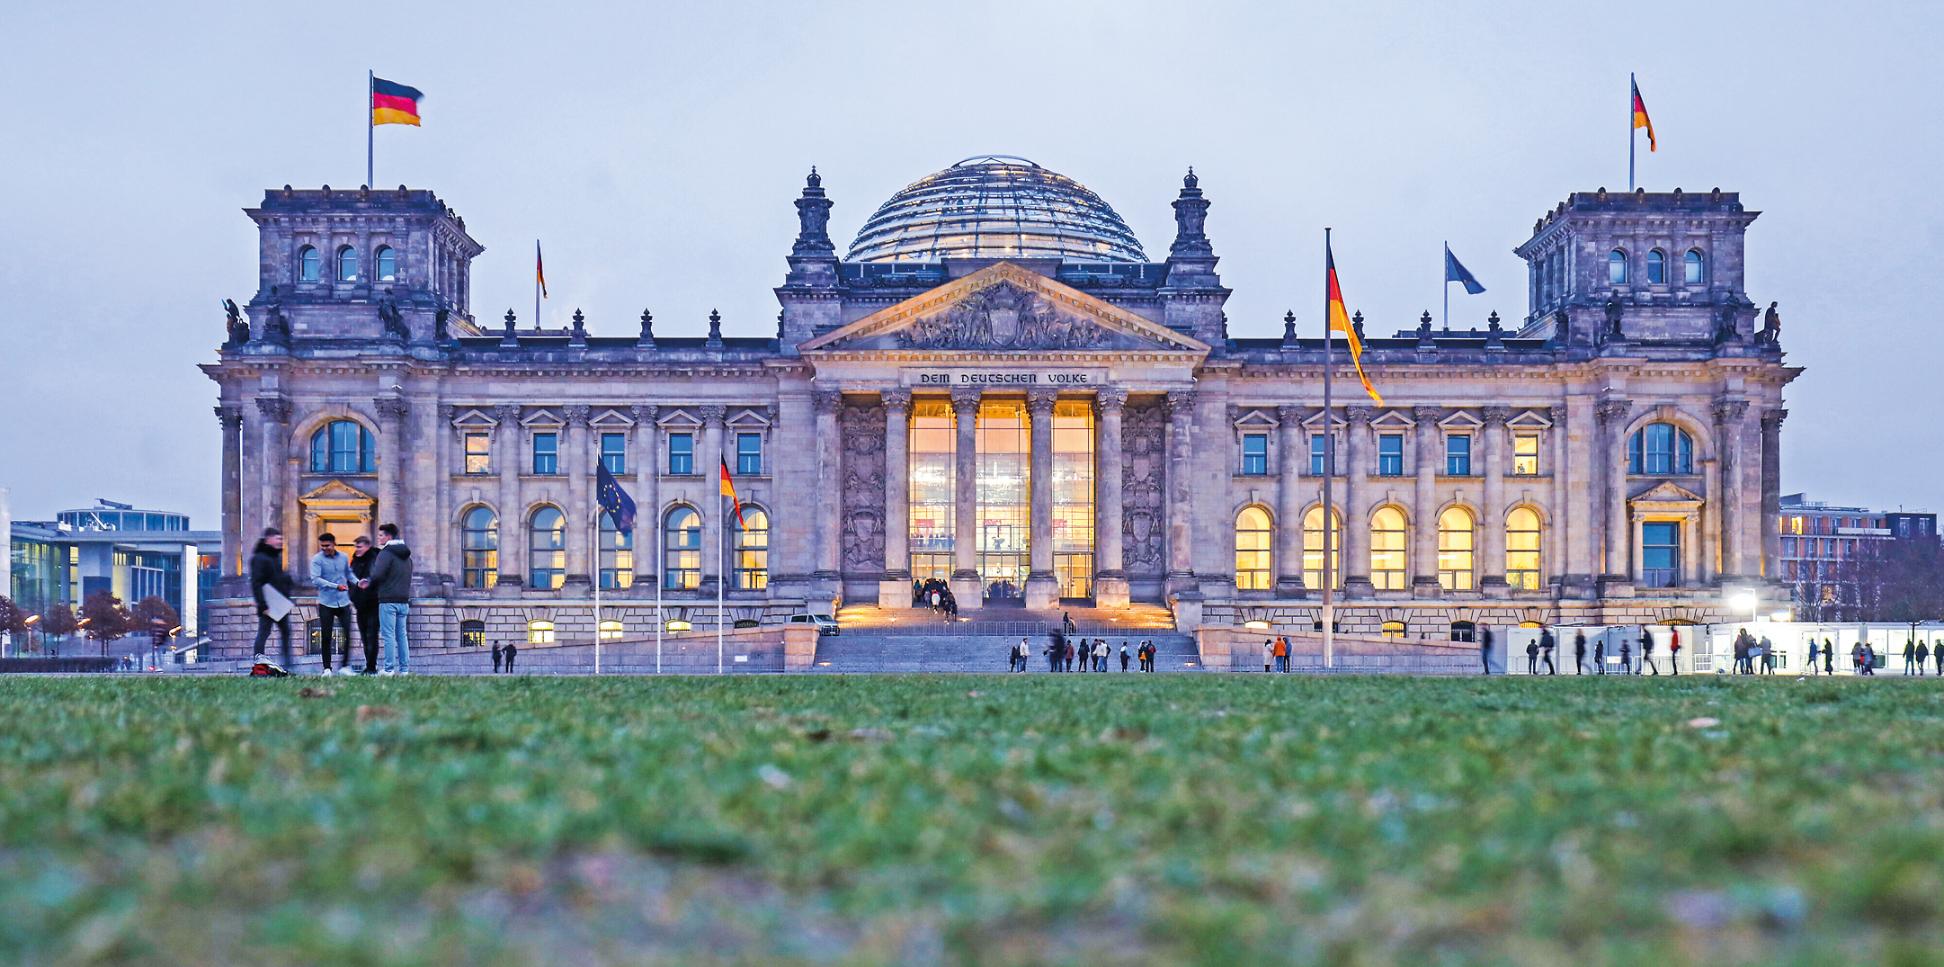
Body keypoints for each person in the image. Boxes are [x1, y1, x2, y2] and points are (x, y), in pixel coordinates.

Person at [363, 522, 414, 675]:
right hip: (404, 601)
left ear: (389, 536)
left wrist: (369, 582)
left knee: (388, 635)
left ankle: (389, 669)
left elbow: (378, 574)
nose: (378, 538)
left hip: (388, 600)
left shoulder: (385, 554)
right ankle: (404, 670)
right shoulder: (407, 556)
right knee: (402, 635)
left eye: (381, 535)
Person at [248, 527, 296, 668]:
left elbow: (277, 579)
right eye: (278, 538)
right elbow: (256, 582)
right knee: (264, 632)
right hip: (268, 603)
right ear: (268, 539)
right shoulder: (259, 558)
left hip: (279, 602)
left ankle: (288, 665)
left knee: (286, 631)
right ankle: (259, 663)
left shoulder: (275, 557)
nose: (280, 541)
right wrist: (262, 604)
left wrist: (287, 582)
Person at [308, 532, 354, 676]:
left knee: (348, 634)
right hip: (326, 603)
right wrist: (335, 586)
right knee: (326, 636)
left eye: (327, 545)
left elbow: (349, 574)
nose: (325, 548)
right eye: (322, 546)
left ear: (334, 544)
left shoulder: (344, 557)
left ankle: (345, 667)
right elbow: (315, 579)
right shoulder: (316, 559)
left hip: (343, 602)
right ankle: (327, 669)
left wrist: (359, 582)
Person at [348, 535, 381, 674]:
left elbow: (374, 576)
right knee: (364, 636)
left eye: (360, 547)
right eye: (356, 547)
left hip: (373, 602)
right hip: (360, 603)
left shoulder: (374, 558)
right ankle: (369, 666)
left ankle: (371, 667)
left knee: (371, 635)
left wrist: (367, 582)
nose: (357, 550)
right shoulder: (355, 561)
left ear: (367, 546)